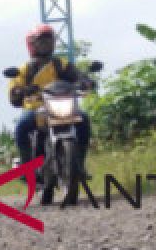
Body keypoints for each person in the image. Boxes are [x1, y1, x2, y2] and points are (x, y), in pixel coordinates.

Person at [7, 24, 93, 164]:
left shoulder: (60, 64)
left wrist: (85, 81)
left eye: (49, 40)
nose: (46, 44)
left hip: (61, 105)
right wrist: (20, 91)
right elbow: (14, 89)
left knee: (84, 119)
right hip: (36, 108)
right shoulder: (26, 69)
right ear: (32, 45)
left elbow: (77, 75)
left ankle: (80, 163)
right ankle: (27, 166)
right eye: (42, 41)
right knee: (21, 127)